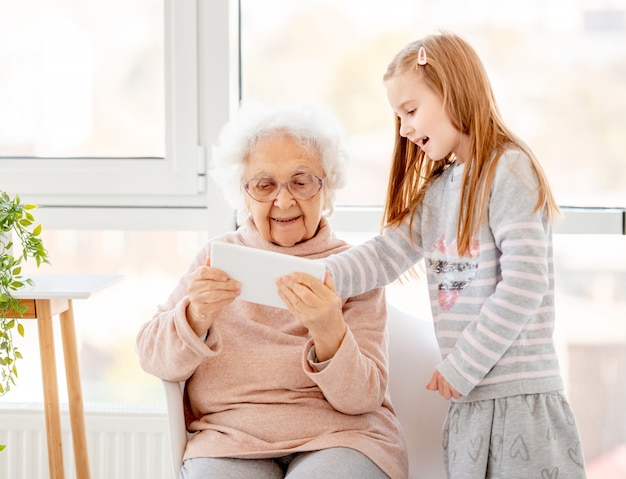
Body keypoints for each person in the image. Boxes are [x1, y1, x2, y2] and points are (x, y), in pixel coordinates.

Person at [278, 32, 587, 478]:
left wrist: (463, 364)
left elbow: (525, 284)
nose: (403, 128)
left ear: (452, 91)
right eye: (397, 117)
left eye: (410, 111)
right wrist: (315, 275)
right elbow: (386, 254)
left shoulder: (509, 170)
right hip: (469, 401)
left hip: (518, 398)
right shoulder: (439, 192)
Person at [136, 103, 408, 479]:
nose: (283, 201)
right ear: (243, 192)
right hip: (229, 440)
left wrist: (329, 330)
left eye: (301, 181)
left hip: (342, 438)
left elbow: (362, 398)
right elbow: (153, 358)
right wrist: (195, 316)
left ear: (326, 186)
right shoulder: (216, 258)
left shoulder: (355, 269)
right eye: (265, 185)